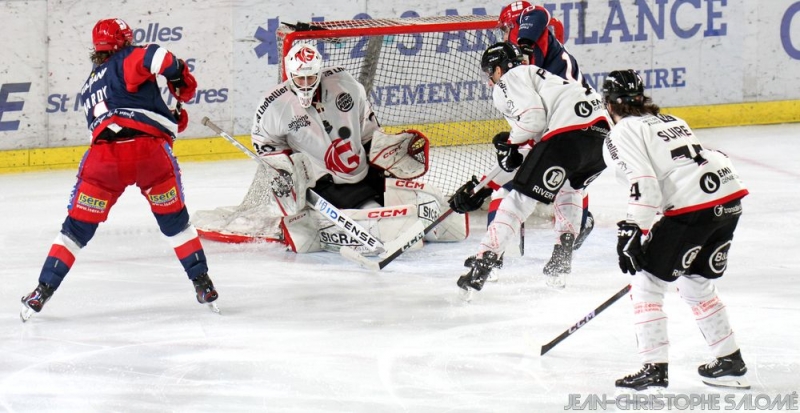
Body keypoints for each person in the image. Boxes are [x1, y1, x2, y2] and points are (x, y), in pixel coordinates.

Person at [20, 18, 218, 322]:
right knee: (176, 224)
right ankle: (202, 284)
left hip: (104, 163)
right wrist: (178, 78)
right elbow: (160, 57)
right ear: (124, 41)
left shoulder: (88, 85)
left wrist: (169, 115)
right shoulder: (126, 59)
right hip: (149, 156)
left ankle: (41, 291)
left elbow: (128, 110)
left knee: (75, 230)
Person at [602, 70, 750, 391]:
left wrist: (632, 229)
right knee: (696, 282)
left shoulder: (623, 131)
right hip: (727, 196)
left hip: (694, 207)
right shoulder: (671, 120)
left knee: (646, 282)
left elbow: (645, 184)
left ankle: (653, 368)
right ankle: (729, 359)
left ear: (608, 104)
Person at [246, 43, 465, 254]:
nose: (305, 84)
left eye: (310, 77)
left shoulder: (345, 84)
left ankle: (423, 223)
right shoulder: (274, 105)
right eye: (299, 78)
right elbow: (265, 143)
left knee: (407, 197)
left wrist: (382, 153)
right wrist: (286, 169)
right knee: (373, 212)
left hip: (361, 169)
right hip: (323, 182)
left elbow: (367, 126)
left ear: (319, 72)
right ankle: (387, 225)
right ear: (289, 74)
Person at [449, 42, 610, 296]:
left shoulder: (509, 80)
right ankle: (561, 254)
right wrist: (482, 188)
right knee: (571, 188)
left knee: (521, 196)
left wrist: (509, 143)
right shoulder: (544, 79)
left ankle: (485, 259)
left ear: (499, 70)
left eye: (490, 73)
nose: (490, 80)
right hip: (602, 139)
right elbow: (530, 152)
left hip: (568, 134)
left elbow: (533, 121)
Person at [483, 1, 594, 285]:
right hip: (585, 121)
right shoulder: (544, 57)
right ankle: (580, 225)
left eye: (510, 25)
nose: (509, 31)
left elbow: (538, 12)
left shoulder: (531, 39)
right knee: (571, 184)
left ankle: (491, 257)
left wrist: (513, 144)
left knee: (510, 189)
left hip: (559, 126)